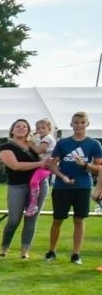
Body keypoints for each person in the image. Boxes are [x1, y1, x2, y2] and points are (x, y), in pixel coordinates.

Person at [46, 111, 102, 263]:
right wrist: (62, 176)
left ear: (87, 124)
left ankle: (76, 254)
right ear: (71, 124)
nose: (79, 125)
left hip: (83, 186)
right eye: (76, 122)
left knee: (79, 220)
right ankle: (51, 251)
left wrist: (84, 165)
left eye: (82, 122)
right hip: (62, 187)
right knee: (57, 219)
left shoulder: (94, 144)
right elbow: (52, 164)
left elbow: (99, 168)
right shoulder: (63, 143)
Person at [0, 118, 47, 259]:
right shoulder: (6, 146)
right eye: (18, 126)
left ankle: (25, 251)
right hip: (17, 186)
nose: (21, 128)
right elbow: (15, 166)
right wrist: (39, 164)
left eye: (25, 126)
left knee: (31, 218)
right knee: (13, 219)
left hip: (39, 185)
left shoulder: (34, 145)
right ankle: (4, 249)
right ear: (12, 130)